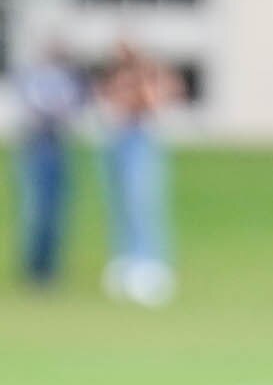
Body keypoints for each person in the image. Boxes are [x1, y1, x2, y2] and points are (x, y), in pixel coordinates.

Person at [97, 40, 183, 306]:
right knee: (119, 204)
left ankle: (150, 264)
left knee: (141, 202)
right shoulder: (114, 75)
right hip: (116, 137)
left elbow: (155, 101)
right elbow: (108, 99)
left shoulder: (150, 75)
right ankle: (126, 260)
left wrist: (139, 84)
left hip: (140, 137)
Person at [14, 40, 85, 289]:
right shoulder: (35, 76)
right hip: (37, 144)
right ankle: (35, 269)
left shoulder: (68, 78)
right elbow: (34, 105)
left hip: (58, 143)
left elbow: (73, 105)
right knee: (36, 209)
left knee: (57, 211)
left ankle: (51, 269)